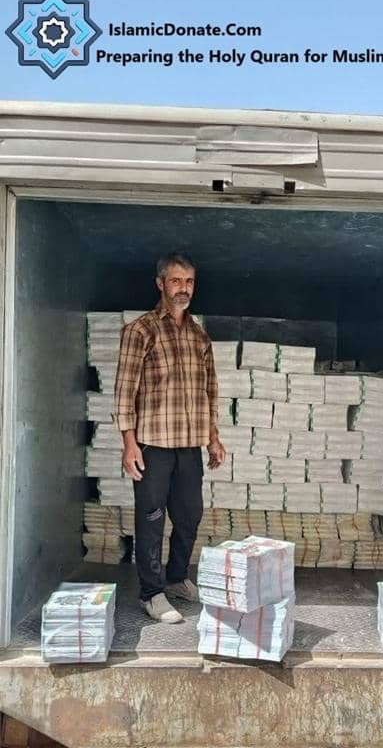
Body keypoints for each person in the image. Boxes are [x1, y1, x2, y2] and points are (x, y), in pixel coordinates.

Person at [114, 252, 226, 624]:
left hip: (189, 445)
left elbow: (209, 390)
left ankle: (176, 578)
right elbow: (124, 390)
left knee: (190, 515)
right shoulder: (140, 330)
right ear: (160, 283)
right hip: (152, 444)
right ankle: (151, 593)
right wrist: (129, 443)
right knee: (151, 518)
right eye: (176, 280)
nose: (183, 288)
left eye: (189, 281)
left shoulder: (198, 334)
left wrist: (212, 438)